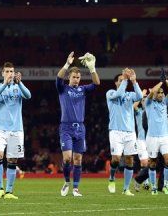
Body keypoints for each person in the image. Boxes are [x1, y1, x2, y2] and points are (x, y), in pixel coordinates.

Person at [56, 52, 100, 197]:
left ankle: (75, 188)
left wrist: (92, 68)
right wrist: (67, 64)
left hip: (80, 128)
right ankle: (66, 182)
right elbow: (58, 77)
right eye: (74, 77)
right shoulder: (63, 89)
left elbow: (96, 83)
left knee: (78, 159)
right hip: (66, 127)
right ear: (69, 77)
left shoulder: (83, 89)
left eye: (78, 77)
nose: (76, 79)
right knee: (67, 157)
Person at [0, 62, 31, 199]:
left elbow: (28, 95)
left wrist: (20, 83)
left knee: (12, 160)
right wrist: (4, 84)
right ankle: (0, 188)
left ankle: (9, 191)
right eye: (7, 71)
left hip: (16, 129)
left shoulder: (18, 87)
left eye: (11, 71)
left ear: (14, 73)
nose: (9, 74)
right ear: (2, 73)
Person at [106, 68, 142, 196]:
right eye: (120, 81)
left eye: (123, 81)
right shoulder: (110, 93)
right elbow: (119, 93)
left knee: (129, 160)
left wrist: (134, 81)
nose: (122, 83)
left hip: (130, 132)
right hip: (115, 131)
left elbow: (140, 96)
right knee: (115, 159)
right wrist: (125, 79)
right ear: (116, 83)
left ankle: (126, 189)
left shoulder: (130, 95)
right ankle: (111, 177)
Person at [144, 71, 168, 195]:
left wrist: (166, 80)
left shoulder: (164, 103)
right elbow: (152, 92)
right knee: (152, 162)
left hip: (164, 136)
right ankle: (153, 187)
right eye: (159, 92)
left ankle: (166, 186)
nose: (162, 94)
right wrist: (161, 82)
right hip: (152, 137)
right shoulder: (148, 103)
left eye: (162, 93)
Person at [133, 89, 151, 191]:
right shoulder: (138, 111)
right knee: (144, 163)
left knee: (151, 163)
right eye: (143, 100)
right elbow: (134, 106)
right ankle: (145, 182)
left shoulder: (152, 112)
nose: (144, 101)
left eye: (146, 100)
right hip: (140, 140)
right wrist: (142, 95)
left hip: (151, 139)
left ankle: (143, 181)